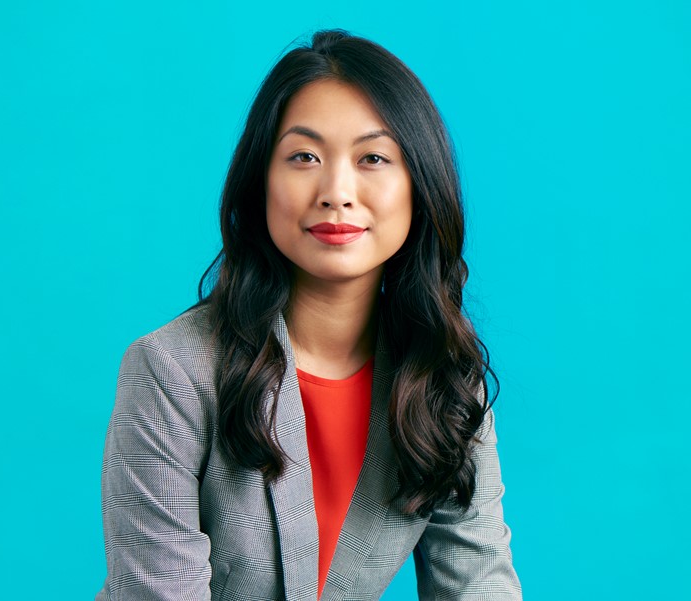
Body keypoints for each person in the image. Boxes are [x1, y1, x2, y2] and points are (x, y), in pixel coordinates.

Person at [96, 29, 521, 601]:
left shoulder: (443, 382)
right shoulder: (172, 371)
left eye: (373, 157)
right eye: (303, 157)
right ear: (260, 183)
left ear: (419, 186)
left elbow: (479, 586)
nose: (336, 191)